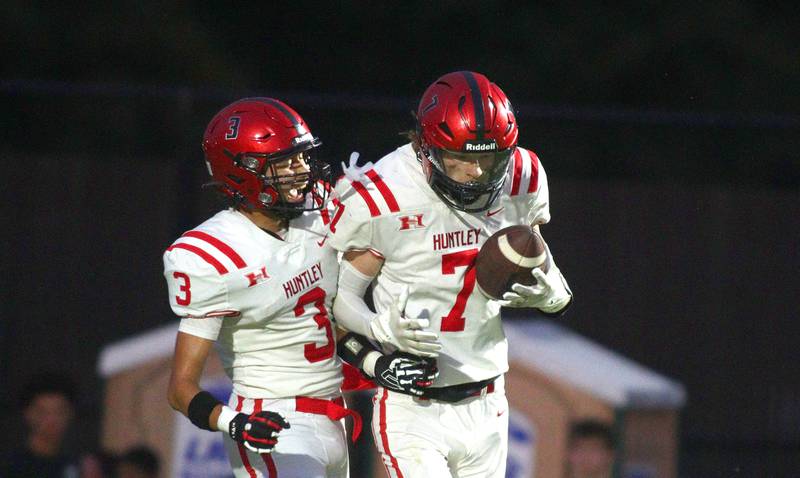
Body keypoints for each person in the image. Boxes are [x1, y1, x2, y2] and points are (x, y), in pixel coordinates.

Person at [329, 71, 573, 478]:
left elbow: (539, 257)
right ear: (424, 148)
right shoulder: (385, 192)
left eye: (489, 158)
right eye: (461, 158)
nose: (476, 172)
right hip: (415, 408)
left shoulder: (523, 175)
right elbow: (337, 301)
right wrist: (378, 335)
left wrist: (552, 295)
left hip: (488, 399)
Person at [164, 97, 354, 478]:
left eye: (302, 158)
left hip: (334, 416)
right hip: (273, 422)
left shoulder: (321, 219)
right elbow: (180, 388)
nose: (301, 172)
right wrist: (233, 422)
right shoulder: (211, 254)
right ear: (244, 171)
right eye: (285, 162)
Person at [2, 373, 80, 478]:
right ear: (28, 414)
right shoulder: (11, 467)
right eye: (42, 412)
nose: (51, 420)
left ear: (70, 414)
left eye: (59, 412)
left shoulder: (77, 465)